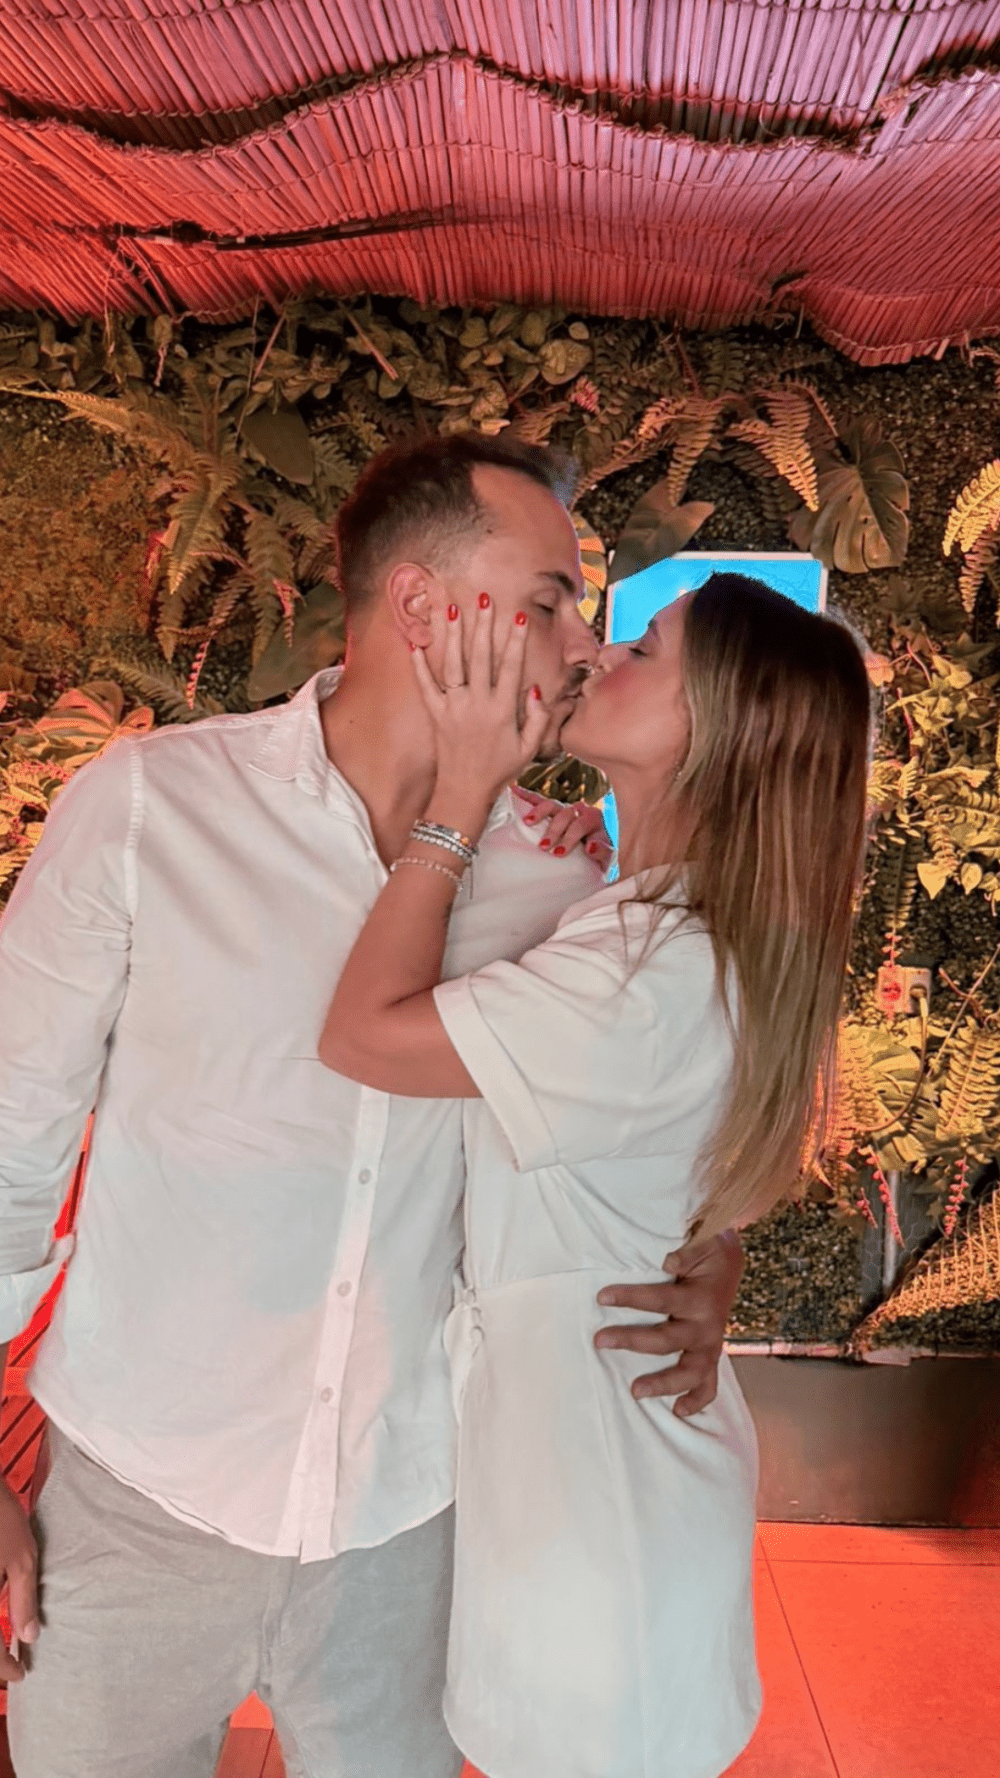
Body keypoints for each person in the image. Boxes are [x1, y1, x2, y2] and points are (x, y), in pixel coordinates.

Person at [0, 431, 743, 1778]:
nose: (583, 644)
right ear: (420, 606)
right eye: (551, 600)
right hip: (137, 1494)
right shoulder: (152, 809)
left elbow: (672, 1091)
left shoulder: (561, 886)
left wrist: (715, 1246)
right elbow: (11, 1131)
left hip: (411, 1513)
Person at [318, 573, 873, 1778]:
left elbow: (361, 1034)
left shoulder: (649, 970)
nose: (602, 652)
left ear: (717, 727)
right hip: (602, 1461)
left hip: (598, 1511)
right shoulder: (657, 931)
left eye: (648, 648)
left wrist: (458, 805)